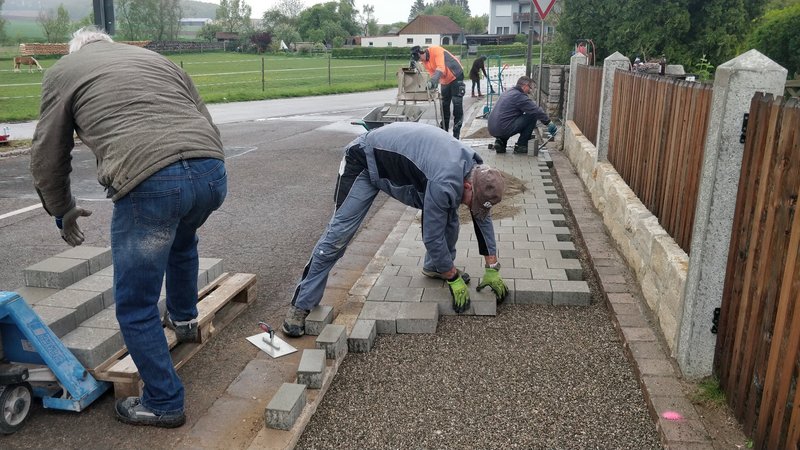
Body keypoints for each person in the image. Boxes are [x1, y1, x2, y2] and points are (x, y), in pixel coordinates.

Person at [29, 26, 227, 428]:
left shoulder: (65, 70)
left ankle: (164, 402)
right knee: (183, 240)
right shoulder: (158, 60)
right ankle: (186, 319)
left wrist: (61, 208)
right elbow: (203, 118)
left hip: (150, 182)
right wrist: (203, 169)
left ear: (76, 50)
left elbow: (49, 152)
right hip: (212, 171)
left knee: (136, 305)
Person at [282, 122, 510, 337]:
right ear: (469, 185)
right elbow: (431, 236)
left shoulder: (475, 170)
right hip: (365, 160)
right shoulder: (445, 181)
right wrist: (453, 278)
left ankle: (435, 267)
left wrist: (492, 266)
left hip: (408, 171)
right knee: (338, 236)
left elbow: (482, 216)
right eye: (473, 201)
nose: (472, 207)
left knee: (449, 214)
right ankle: (301, 305)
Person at [487, 75, 557, 154]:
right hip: (503, 128)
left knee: (508, 119)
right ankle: (521, 145)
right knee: (532, 116)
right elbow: (535, 110)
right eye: (530, 88)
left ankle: (500, 142)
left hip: (492, 128)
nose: (530, 91)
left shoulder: (509, 91)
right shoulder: (519, 96)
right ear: (525, 86)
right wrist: (548, 122)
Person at [411, 45, 466, 139]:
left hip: (456, 75)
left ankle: (456, 135)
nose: (421, 61)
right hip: (445, 80)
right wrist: (433, 84)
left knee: (457, 104)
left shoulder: (436, 50)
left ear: (422, 53)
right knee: (444, 105)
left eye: (420, 58)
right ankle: (444, 133)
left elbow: (441, 68)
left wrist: (433, 81)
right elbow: (433, 73)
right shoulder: (425, 61)